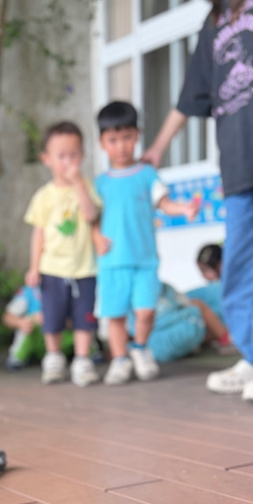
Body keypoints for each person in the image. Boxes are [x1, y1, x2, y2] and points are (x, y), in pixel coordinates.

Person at [144, 0, 253, 404]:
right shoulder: (214, 19)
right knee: (237, 267)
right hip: (238, 165)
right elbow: (189, 98)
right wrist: (157, 149)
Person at [93, 101, 198, 385]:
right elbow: (91, 217)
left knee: (146, 311)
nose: (121, 146)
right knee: (115, 315)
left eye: (127, 137)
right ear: (102, 143)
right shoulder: (100, 183)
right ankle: (119, 359)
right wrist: (95, 237)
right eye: (113, 140)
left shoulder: (147, 174)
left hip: (145, 260)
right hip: (112, 262)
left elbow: (164, 203)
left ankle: (139, 348)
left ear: (137, 135)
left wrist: (184, 209)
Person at [24, 122, 102, 387]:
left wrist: (78, 183)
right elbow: (38, 235)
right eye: (61, 156)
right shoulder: (44, 196)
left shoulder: (87, 187)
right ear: (47, 159)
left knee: (84, 318)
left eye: (74, 155)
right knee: (52, 316)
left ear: (83, 155)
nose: (68, 161)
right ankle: (54, 358)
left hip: (84, 268)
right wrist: (34, 267)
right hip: (52, 269)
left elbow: (91, 215)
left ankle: (82, 360)